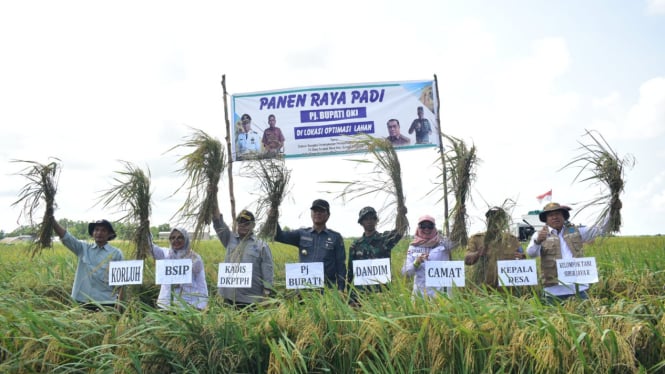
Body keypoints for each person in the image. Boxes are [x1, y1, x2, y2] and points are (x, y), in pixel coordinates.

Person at [526, 202, 613, 303]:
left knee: (584, 317)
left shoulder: (576, 231)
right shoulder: (539, 235)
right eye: (550, 215)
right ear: (546, 219)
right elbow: (531, 254)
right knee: (553, 318)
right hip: (553, 290)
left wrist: (613, 211)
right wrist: (538, 241)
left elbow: (601, 229)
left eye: (558, 214)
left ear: (564, 216)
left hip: (579, 288)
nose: (555, 217)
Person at [52, 217, 124, 310]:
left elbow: (121, 283)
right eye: (96, 230)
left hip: (106, 302)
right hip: (81, 301)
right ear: (93, 233)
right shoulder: (83, 248)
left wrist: (119, 308)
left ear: (109, 234)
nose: (99, 233)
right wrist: (52, 221)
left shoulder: (116, 254)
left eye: (103, 230)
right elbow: (66, 237)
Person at [274, 199, 346, 291]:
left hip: (327, 289)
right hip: (303, 289)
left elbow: (341, 265)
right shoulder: (302, 234)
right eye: (315, 211)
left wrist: (341, 289)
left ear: (328, 215)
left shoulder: (335, 237)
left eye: (321, 211)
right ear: (311, 214)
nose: (317, 213)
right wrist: (273, 218)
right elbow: (279, 236)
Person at [213, 203, 274, 309]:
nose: (242, 225)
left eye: (246, 223)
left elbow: (268, 271)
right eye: (240, 222)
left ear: (253, 225)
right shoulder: (229, 239)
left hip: (251, 300)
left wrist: (267, 295)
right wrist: (213, 194)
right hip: (229, 297)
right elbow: (218, 222)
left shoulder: (261, 245)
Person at [347, 206, 404, 303]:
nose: (369, 221)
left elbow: (400, 231)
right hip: (361, 294)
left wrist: (401, 214)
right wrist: (351, 298)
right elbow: (351, 273)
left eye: (372, 218)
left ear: (376, 220)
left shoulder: (385, 240)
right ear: (361, 222)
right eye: (366, 219)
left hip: (382, 293)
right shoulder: (355, 245)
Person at [149, 227, 208, 310]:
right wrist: (145, 230)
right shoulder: (165, 254)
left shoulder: (194, 258)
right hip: (166, 304)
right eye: (172, 238)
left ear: (186, 239)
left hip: (188, 304)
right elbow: (150, 247)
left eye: (180, 237)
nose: (175, 240)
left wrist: (202, 304)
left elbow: (201, 282)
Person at [465, 207, 525, 288]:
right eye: (492, 218)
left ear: (503, 222)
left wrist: (521, 258)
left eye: (498, 219)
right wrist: (477, 254)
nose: (495, 222)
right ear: (487, 221)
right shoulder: (477, 239)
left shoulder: (512, 240)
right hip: (483, 290)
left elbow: (524, 261)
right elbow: (467, 260)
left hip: (507, 291)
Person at [401, 215, 456, 297]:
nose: (426, 229)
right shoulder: (413, 247)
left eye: (430, 226)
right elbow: (405, 272)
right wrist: (416, 262)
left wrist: (459, 216)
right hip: (420, 294)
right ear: (418, 228)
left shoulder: (444, 244)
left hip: (442, 294)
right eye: (423, 226)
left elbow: (458, 241)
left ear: (434, 228)